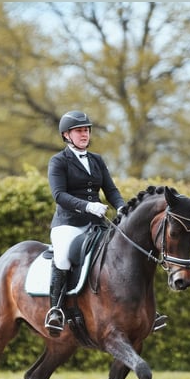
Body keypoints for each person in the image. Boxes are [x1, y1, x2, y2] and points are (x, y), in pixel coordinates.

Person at [45, 110, 126, 335]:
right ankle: (55, 310)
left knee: (122, 253)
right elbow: (59, 195)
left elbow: (110, 189)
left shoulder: (96, 160)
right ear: (66, 135)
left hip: (96, 224)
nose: (85, 134)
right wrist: (87, 205)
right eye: (79, 131)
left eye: (87, 130)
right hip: (68, 223)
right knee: (62, 256)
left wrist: (121, 206)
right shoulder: (58, 161)